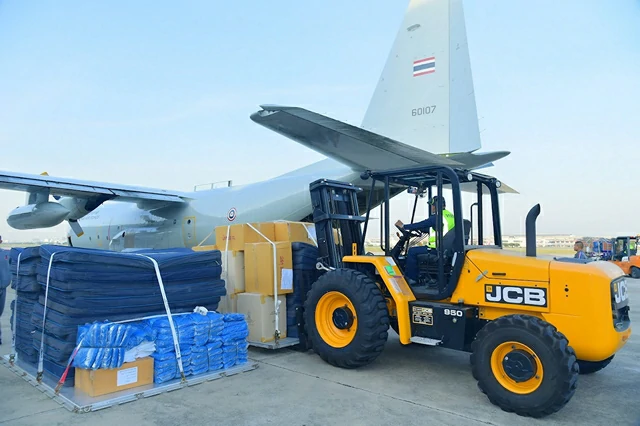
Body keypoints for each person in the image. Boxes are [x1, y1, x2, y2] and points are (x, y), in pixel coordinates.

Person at [395, 195, 456, 282]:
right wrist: (422, 230)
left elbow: (422, 224)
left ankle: (412, 278)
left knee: (412, 251)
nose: (432, 208)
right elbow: (440, 229)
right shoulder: (449, 216)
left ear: (436, 205)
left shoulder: (437, 216)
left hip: (436, 249)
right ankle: (422, 276)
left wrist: (404, 226)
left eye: (432, 205)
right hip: (447, 249)